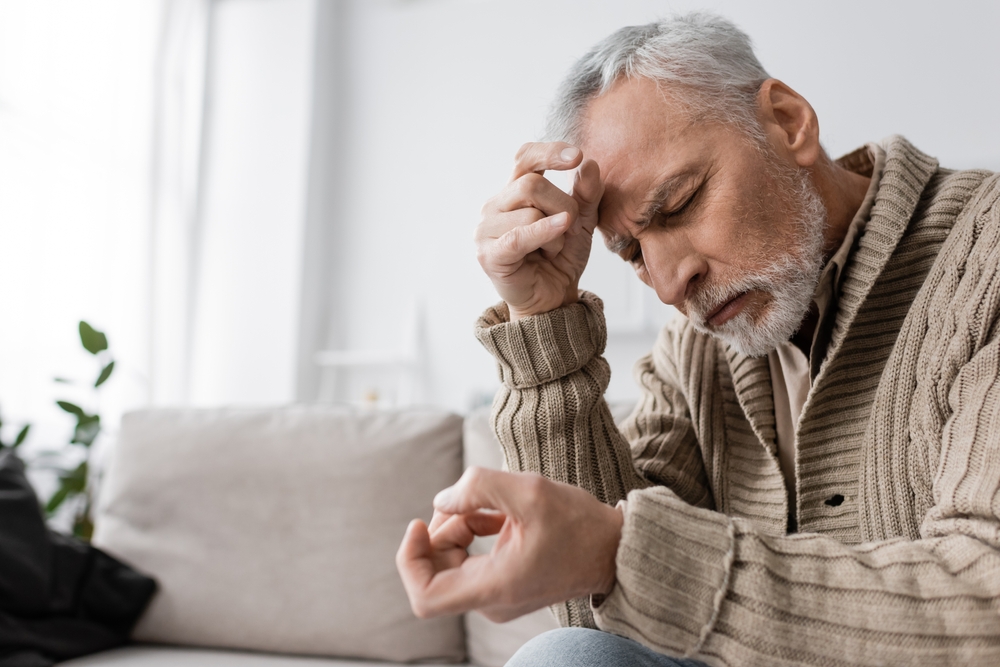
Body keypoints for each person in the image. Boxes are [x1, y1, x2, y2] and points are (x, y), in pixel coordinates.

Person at [396, 12, 1000, 667]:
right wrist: (544, 321)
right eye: (630, 251)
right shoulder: (694, 351)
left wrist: (619, 550)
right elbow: (597, 619)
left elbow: (988, 600)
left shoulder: (984, 254)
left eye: (680, 204)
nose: (667, 282)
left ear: (789, 121)